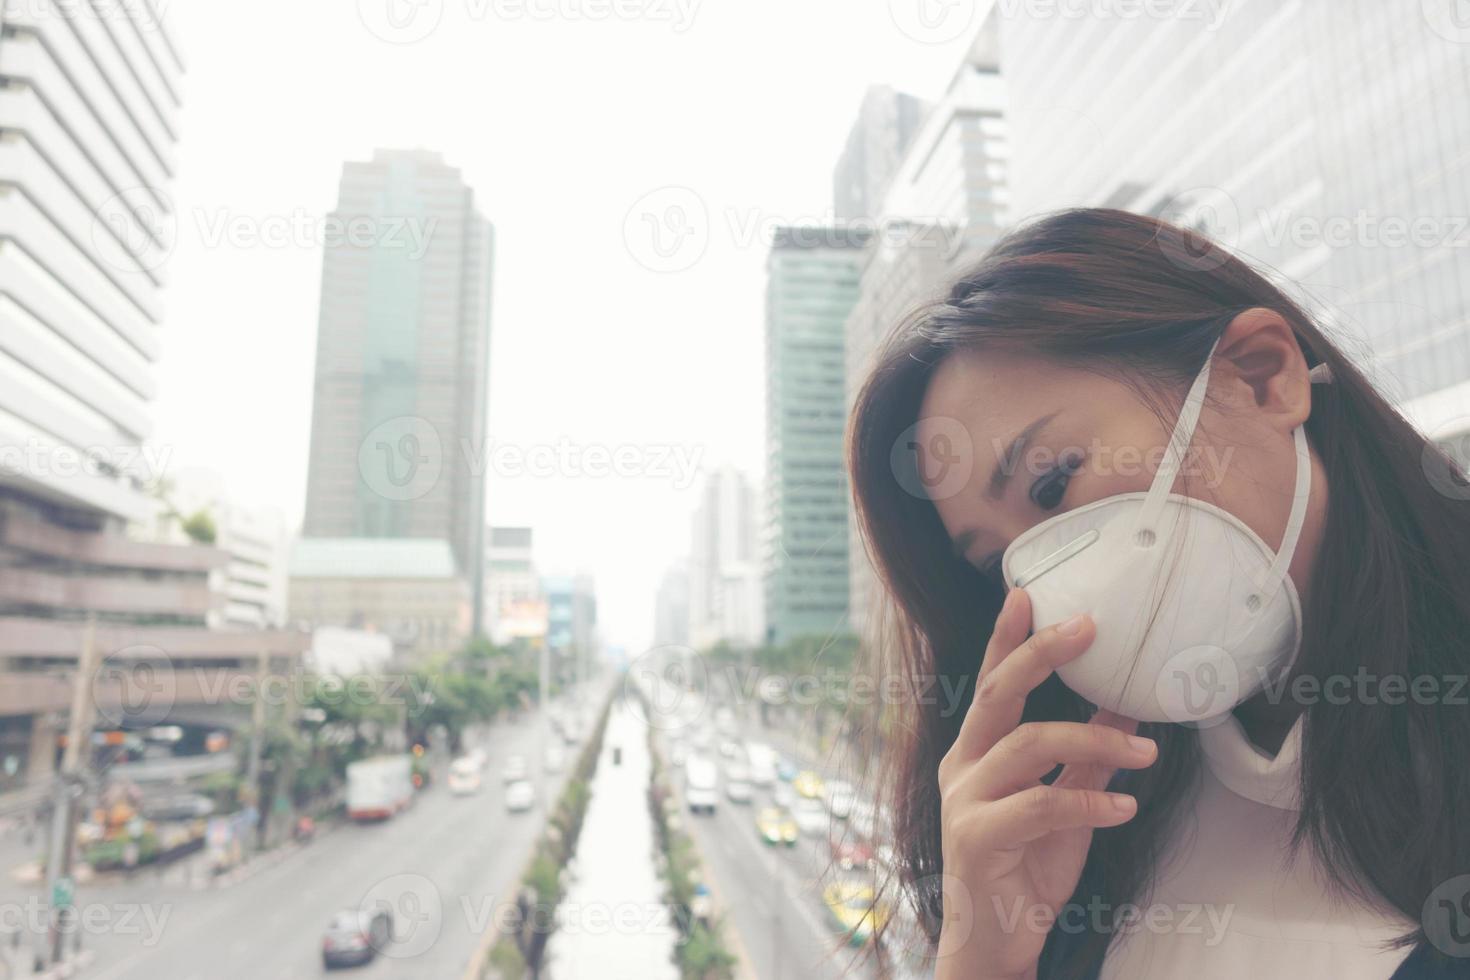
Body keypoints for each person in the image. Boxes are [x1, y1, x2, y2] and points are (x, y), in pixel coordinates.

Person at [846, 208, 1470, 979]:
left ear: (1261, 379)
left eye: (1052, 481)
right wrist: (984, 960)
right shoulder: (1079, 830)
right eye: (999, 563)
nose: (1052, 585)